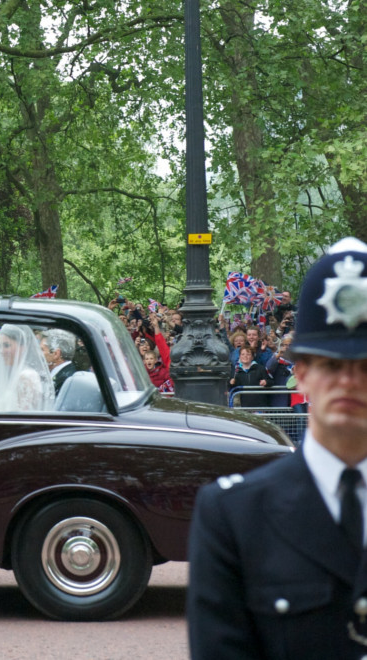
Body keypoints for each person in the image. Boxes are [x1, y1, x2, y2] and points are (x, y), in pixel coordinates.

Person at [187, 237, 367, 658]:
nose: (348, 381)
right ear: (300, 374)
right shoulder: (233, 516)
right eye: (330, 364)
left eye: (364, 365)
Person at [40, 328, 77, 395]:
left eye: (42, 349)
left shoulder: (66, 380)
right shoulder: (65, 373)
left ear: (56, 354)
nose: (39, 353)